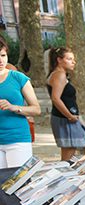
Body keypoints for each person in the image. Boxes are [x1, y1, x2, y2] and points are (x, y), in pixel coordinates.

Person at [46, 47, 85, 161]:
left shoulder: (60, 74)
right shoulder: (59, 75)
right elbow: (55, 98)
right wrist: (69, 115)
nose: (73, 62)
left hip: (68, 118)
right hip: (65, 119)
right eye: (69, 59)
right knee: (69, 156)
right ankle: (70, 175)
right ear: (59, 60)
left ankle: (83, 173)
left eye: (73, 59)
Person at [0, 38, 41, 168]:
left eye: (3, 55)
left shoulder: (18, 78)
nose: (1, 60)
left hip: (17, 139)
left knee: (20, 185)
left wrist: (14, 107)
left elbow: (36, 109)